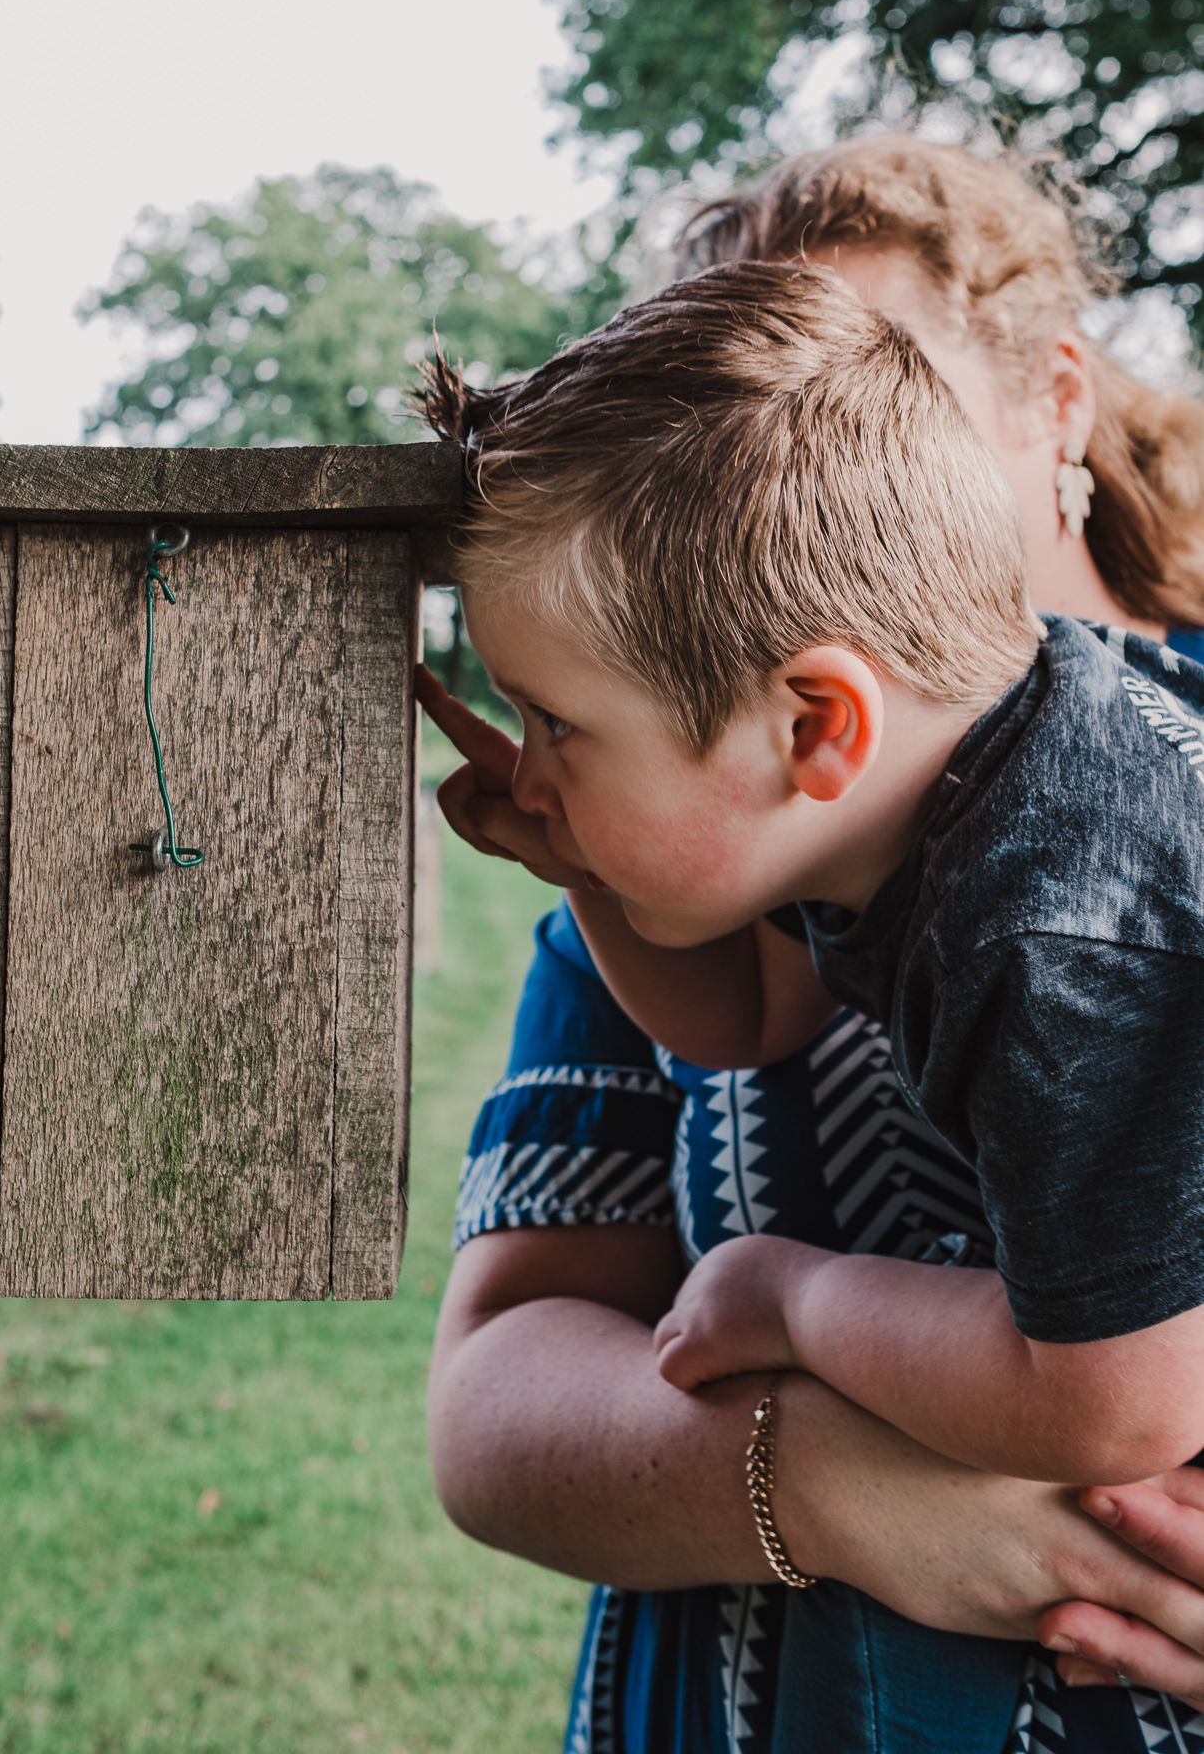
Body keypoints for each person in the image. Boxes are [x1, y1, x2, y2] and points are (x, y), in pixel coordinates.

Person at [426, 139, 1204, 1754]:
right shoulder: (900, 795)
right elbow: (747, 1023)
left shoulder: (1060, 907)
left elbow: (1116, 1402)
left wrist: (790, 1295)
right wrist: (590, 854)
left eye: (558, 720)